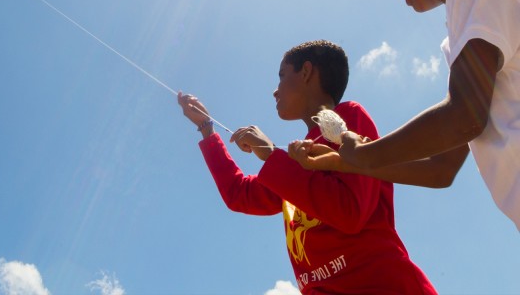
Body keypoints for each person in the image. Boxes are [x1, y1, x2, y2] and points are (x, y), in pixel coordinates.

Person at [291, 0, 520, 230]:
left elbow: (463, 117)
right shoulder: (478, 19)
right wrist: (345, 162)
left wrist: (367, 155)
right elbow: (441, 169)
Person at [178, 40, 436, 294]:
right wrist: (206, 128)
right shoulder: (295, 160)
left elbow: (350, 211)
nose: (275, 90)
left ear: (306, 72)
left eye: (281, 76)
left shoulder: (349, 120)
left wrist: (271, 156)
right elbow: (239, 194)